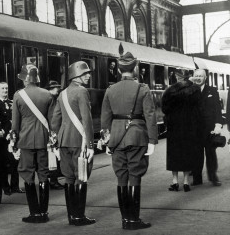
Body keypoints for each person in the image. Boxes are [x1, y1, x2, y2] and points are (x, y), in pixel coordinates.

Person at [101, 51, 157, 230]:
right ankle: (134, 220)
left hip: (116, 137)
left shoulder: (110, 90)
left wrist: (106, 139)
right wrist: (153, 140)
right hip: (137, 136)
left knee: (121, 176)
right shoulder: (143, 89)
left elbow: (105, 117)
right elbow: (150, 115)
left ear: (118, 69)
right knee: (135, 175)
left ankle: (125, 219)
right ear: (135, 68)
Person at [51, 62, 96, 226]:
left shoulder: (62, 94)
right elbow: (87, 119)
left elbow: (55, 121)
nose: (88, 76)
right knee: (81, 177)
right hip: (79, 141)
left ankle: (72, 216)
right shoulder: (82, 91)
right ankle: (79, 217)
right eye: (86, 74)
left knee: (69, 178)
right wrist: (90, 145)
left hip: (63, 141)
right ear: (76, 76)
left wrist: (54, 144)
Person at [11, 63, 55, 223]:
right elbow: (53, 122)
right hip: (44, 140)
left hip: (26, 141)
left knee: (28, 175)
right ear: (36, 78)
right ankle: (44, 213)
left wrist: (13, 143)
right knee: (43, 174)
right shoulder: (48, 95)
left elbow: (15, 124)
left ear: (24, 79)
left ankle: (34, 213)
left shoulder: (18, 95)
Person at [162, 70, 202, 192]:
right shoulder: (195, 90)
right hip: (188, 126)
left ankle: (175, 182)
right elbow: (198, 110)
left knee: (174, 154)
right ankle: (185, 182)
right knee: (186, 153)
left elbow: (164, 108)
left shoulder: (170, 91)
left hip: (174, 126)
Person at [192, 69, 224, 186]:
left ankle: (213, 177)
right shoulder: (190, 91)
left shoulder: (212, 90)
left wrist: (218, 125)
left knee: (211, 153)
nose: (199, 78)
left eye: (201, 76)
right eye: (196, 76)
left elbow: (217, 109)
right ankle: (197, 178)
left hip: (210, 128)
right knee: (196, 153)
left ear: (205, 78)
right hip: (195, 128)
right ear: (193, 77)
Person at [0, 82, 24, 195]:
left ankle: (15, 186)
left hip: (13, 138)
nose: (5, 90)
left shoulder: (12, 102)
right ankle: (5, 187)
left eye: (6, 88)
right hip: (2, 140)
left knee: (15, 162)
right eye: (2, 88)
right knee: (3, 163)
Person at [45, 80, 65, 190]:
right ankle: (53, 180)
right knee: (52, 157)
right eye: (55, 87)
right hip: (51, 131)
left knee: (52, 157)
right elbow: (53, 117)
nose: (57, 89)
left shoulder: (52, 99)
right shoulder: (51, 100)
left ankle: (52, 179)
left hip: (50, 130)